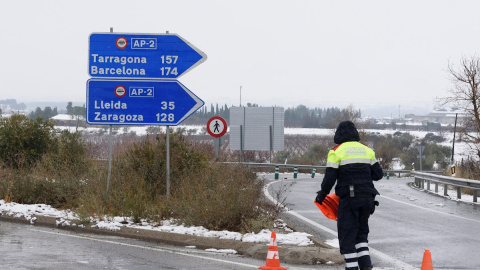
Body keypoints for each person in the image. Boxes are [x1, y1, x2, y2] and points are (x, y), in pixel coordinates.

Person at [315, 121, 383, 270]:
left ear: (338, 135)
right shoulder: (367, 150)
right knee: (361, 235)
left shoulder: (336, 151)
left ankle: (352, 268)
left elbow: (330, 178)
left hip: (349, 200)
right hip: (368, 199)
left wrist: (322, 195)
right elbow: (378, 175)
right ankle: (366, 266)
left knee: (347, 237)